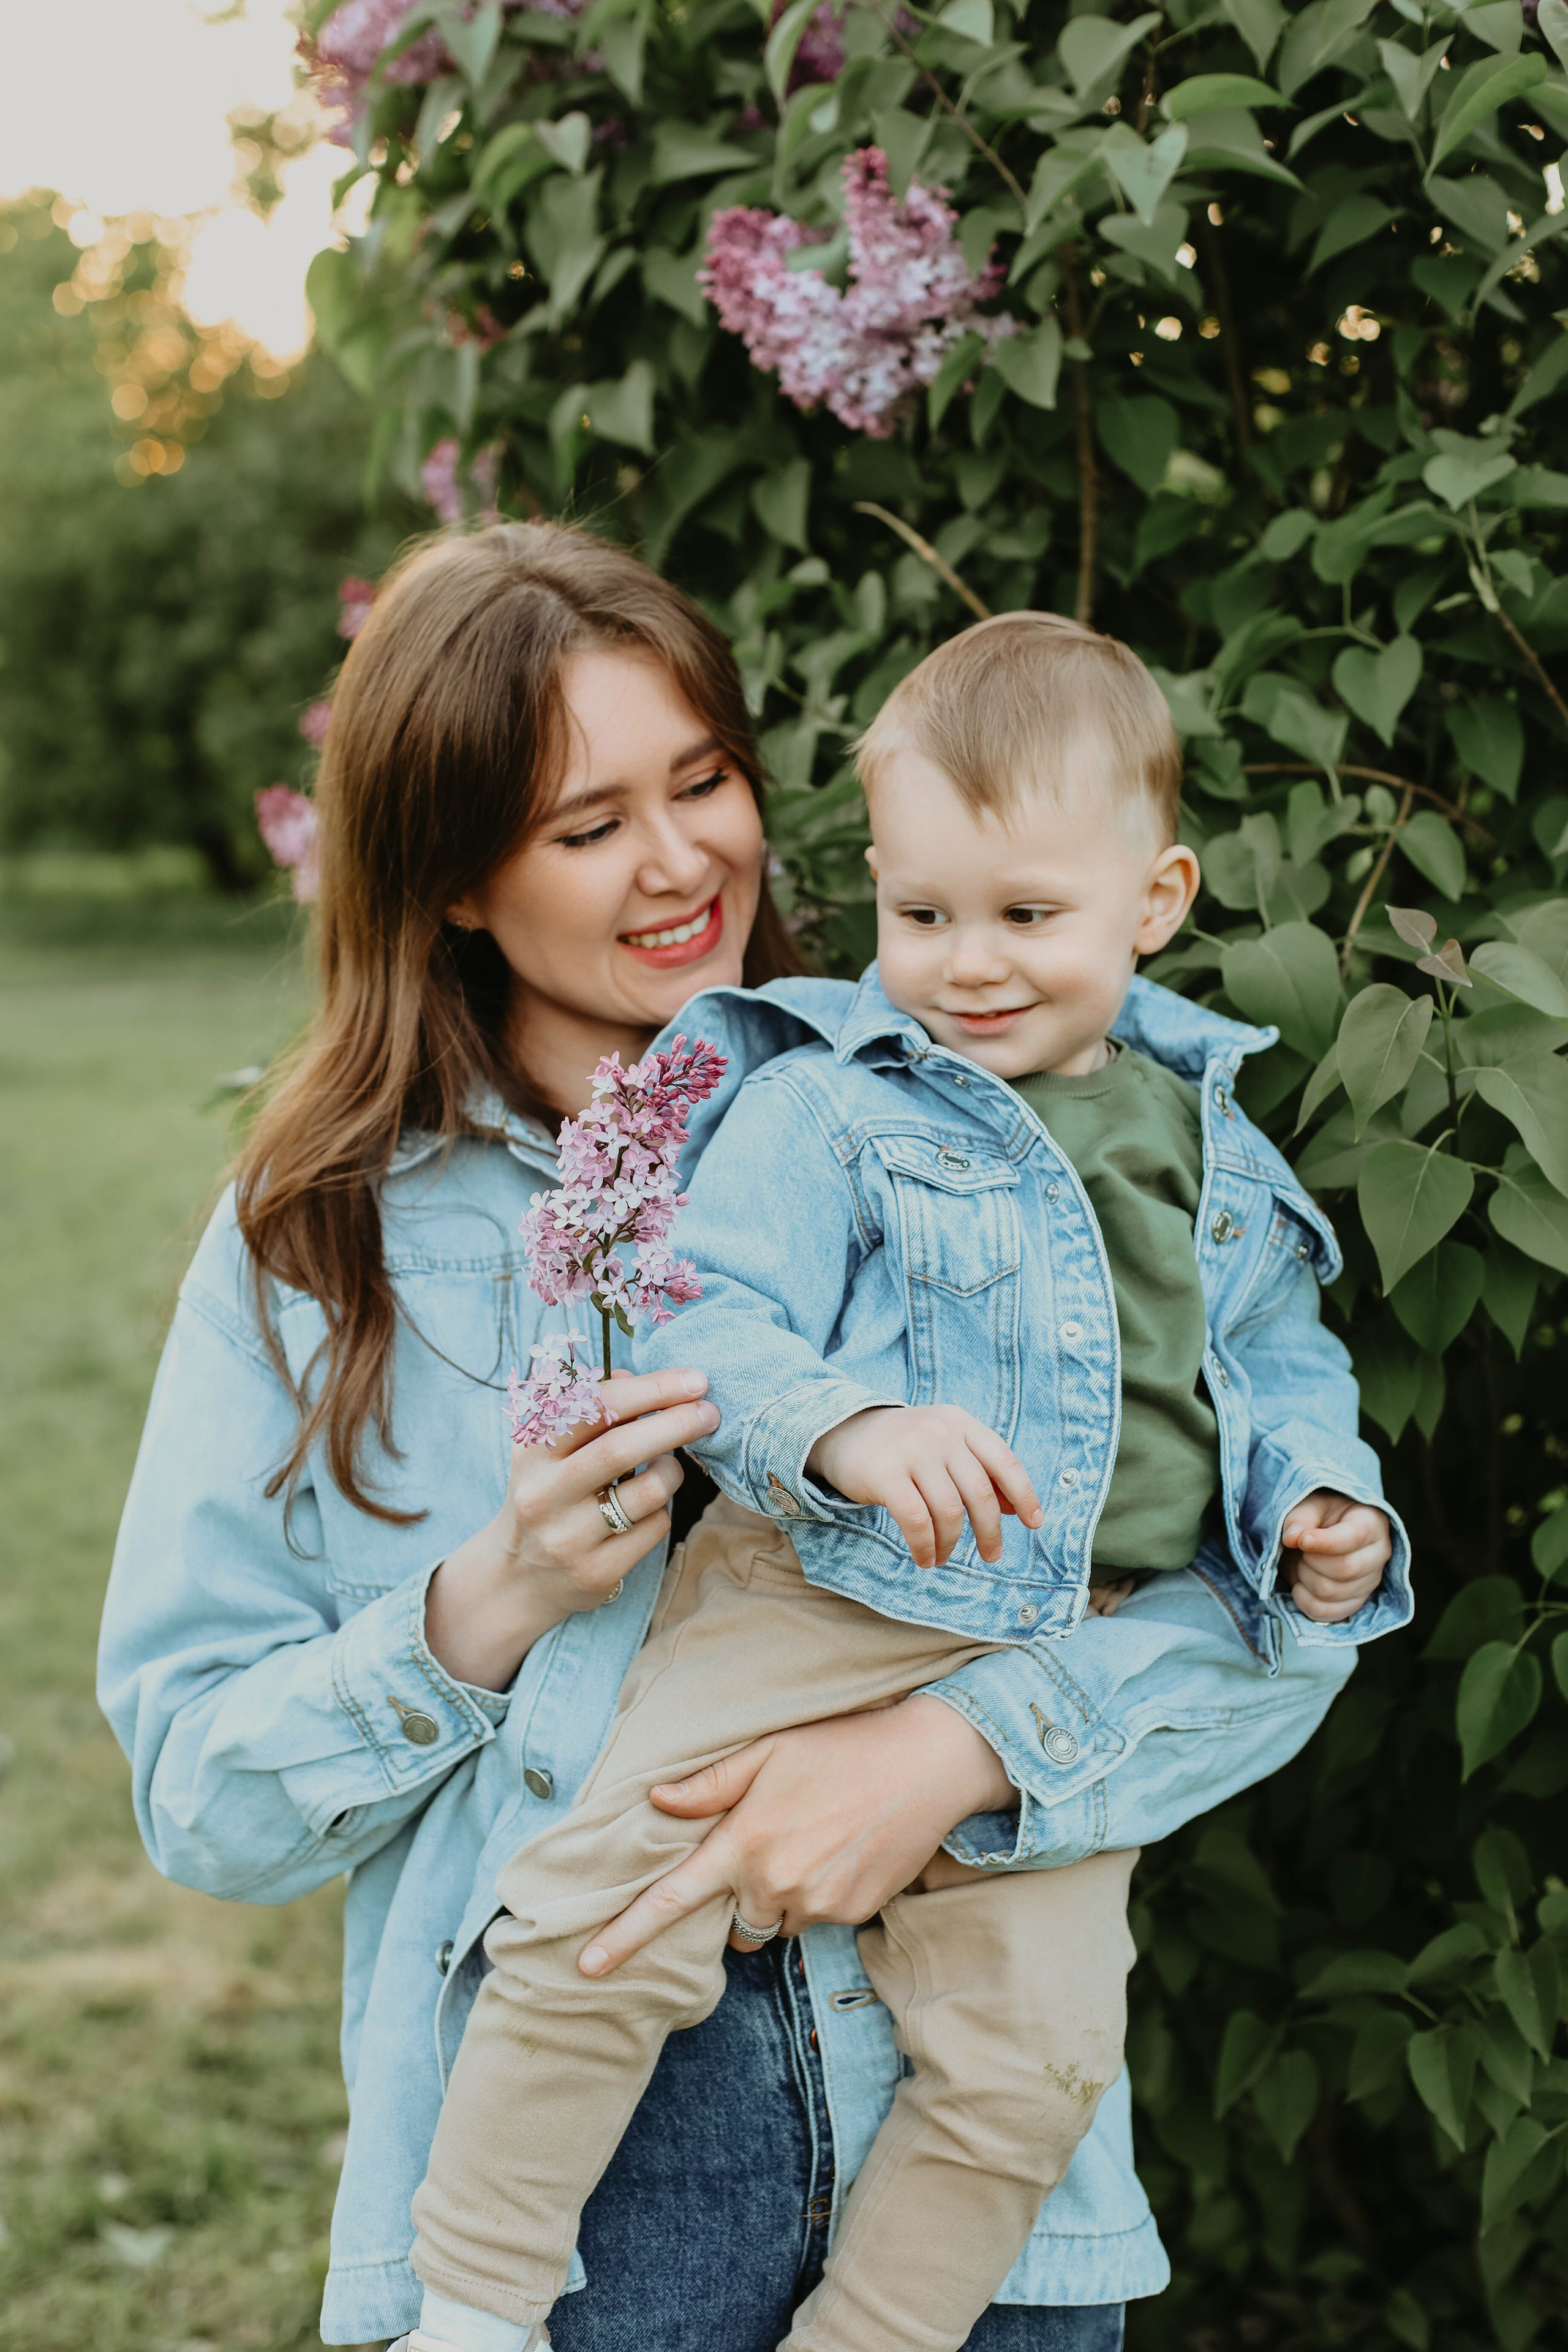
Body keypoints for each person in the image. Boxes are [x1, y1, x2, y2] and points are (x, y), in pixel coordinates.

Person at [97, 530, 1370, 2352]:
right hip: (583, 2211)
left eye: (702, 782)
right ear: (456, 876)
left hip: (976, 2178)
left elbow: (1262, 1604)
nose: (682, 858)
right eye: (587, 824)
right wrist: (492, 1599)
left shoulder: (994, 1114)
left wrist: (955, 1750)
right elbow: (198, 1802)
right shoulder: (330, 1236)